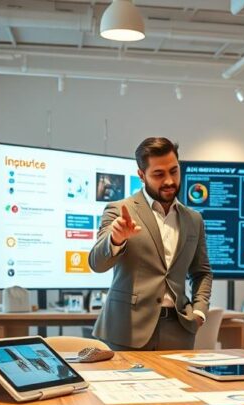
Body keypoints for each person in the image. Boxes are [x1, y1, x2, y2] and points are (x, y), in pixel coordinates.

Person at [89, 137, 213, 350]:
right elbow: (96, 263)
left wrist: (200, 311)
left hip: (179, 332)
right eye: (158, 174)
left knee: (180, 385)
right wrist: (116, 239)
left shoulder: (194, 219)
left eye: (174, 171)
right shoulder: (119, 210)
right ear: (141, 175)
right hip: (126, 331)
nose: (169, 181)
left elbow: (201, 272)